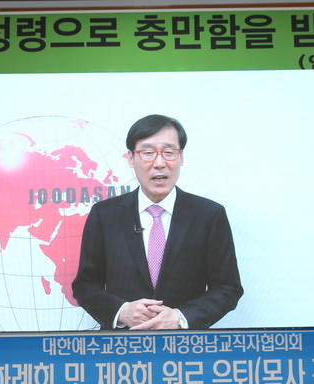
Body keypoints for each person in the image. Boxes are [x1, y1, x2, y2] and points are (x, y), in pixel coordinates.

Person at [72, 114, 242, 330]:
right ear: (131, 159)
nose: (159, 163)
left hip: (186, 348)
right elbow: (86, 286)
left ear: (181, 158)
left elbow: (227, 288)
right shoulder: (105, 215)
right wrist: (122, 311)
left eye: (169, 153)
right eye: (148, 153)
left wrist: (181, 318)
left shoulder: (209, 215)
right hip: (121, 348)